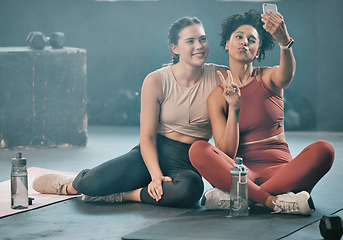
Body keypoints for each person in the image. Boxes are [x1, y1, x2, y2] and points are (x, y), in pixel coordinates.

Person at [33, 17, 228, 208]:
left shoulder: (221, 77)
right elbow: (147, 138)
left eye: (202, 39)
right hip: (153, 152)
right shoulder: (156, 80)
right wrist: (156, 175)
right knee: (92, 184)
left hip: (189, 160)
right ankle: (71, 184)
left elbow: (248, 73)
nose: (199, 46)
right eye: (190, 41)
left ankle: (124, 195)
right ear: (174, 48)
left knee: (189, 191)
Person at [189, 9, 335, 215]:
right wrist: (234, 108)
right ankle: (274, 201)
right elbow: (226, 153)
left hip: (282, 172)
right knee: (198, 149)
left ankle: (243, 197)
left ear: (257, 51)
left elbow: (287, 75)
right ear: (227, 44)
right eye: (238, 37)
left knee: (325, 149)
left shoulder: (268, 77)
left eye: (251, 39)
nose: (244, 42)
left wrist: (285, 43)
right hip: (241, 173)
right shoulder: (216, 97)